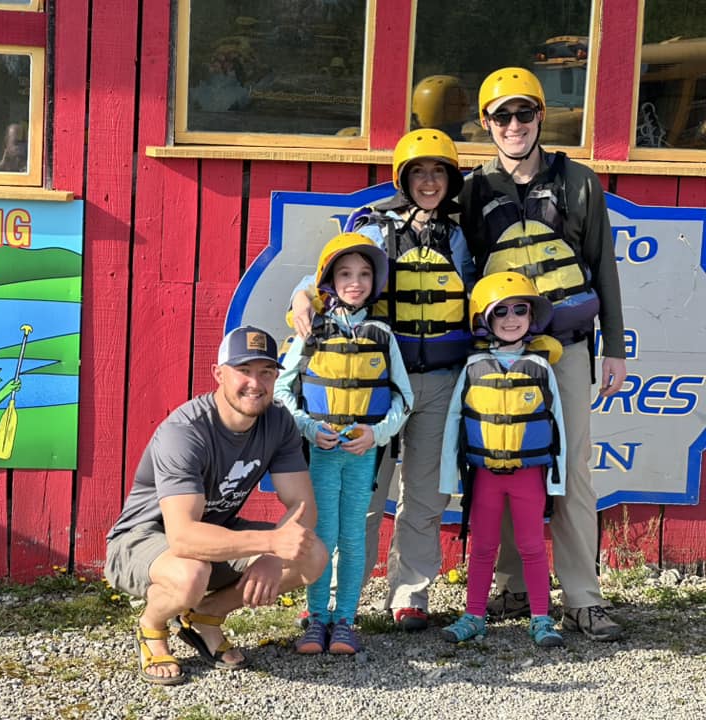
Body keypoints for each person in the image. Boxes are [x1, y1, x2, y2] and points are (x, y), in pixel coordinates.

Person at [458, 67, 627, 641]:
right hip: (500, 348)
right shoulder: (473, 188)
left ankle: (582, 595)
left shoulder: (579, 182)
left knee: (573, 467)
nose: (513, 125)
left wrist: (616, 348)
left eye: (523, 113)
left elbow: (604, 266)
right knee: (502, 456)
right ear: (486, 123)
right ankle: (509, 584)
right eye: (500, 116)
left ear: (539, 118)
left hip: (571, 345)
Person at [289, 129, 476, 632]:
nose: (430, 182)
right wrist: (301, 296)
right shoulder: (375, 230)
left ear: (451, 179)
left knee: (424, 491)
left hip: (438, 379)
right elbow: (331, 274)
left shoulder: (458, 236)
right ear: (404, 178)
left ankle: (409, 593)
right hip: (377, 380)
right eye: (420, 172)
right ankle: (335, 593)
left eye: (439, 172)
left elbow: (479, 299)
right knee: (362, 491)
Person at [104, 325, 328, 685]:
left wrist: (274, 558)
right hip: (142, 538)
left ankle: (205, 616)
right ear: (219, 374)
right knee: (191, 573)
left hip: (214, 537)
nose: (256, 383)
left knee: (311, 555)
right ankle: (153, 625)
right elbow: (183, 538)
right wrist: (271, 543)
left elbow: (303, 506)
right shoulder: (185, 431)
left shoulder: (278, 422)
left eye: (266, 372)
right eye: (244, 371)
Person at [276, 233, 414, 654]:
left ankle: (346, 621)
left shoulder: (383, 334)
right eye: (345, 273)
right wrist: (306, 427)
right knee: (320, 535)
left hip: (362, 452)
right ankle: (316, 619)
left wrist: (379, 433)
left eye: (364, 274)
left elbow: (404, 398)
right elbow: (283, 389)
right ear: (329, 281)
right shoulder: (311, 328)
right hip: (319, 450)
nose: (355, 282)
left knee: (353, 537)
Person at [439, 271, 566, 647]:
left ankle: (541, 618)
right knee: (482, 547)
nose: (511, 319)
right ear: (486, 320)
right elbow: (453, 425)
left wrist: (555, 482)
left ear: (531, 317)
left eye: (520, 310)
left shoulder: (541, 369)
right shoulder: (473, 367)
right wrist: (450, 479)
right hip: (485, 476)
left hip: (529, 475)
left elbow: (557, 423)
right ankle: (473, 615)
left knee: (531, 545)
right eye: (501, 312)